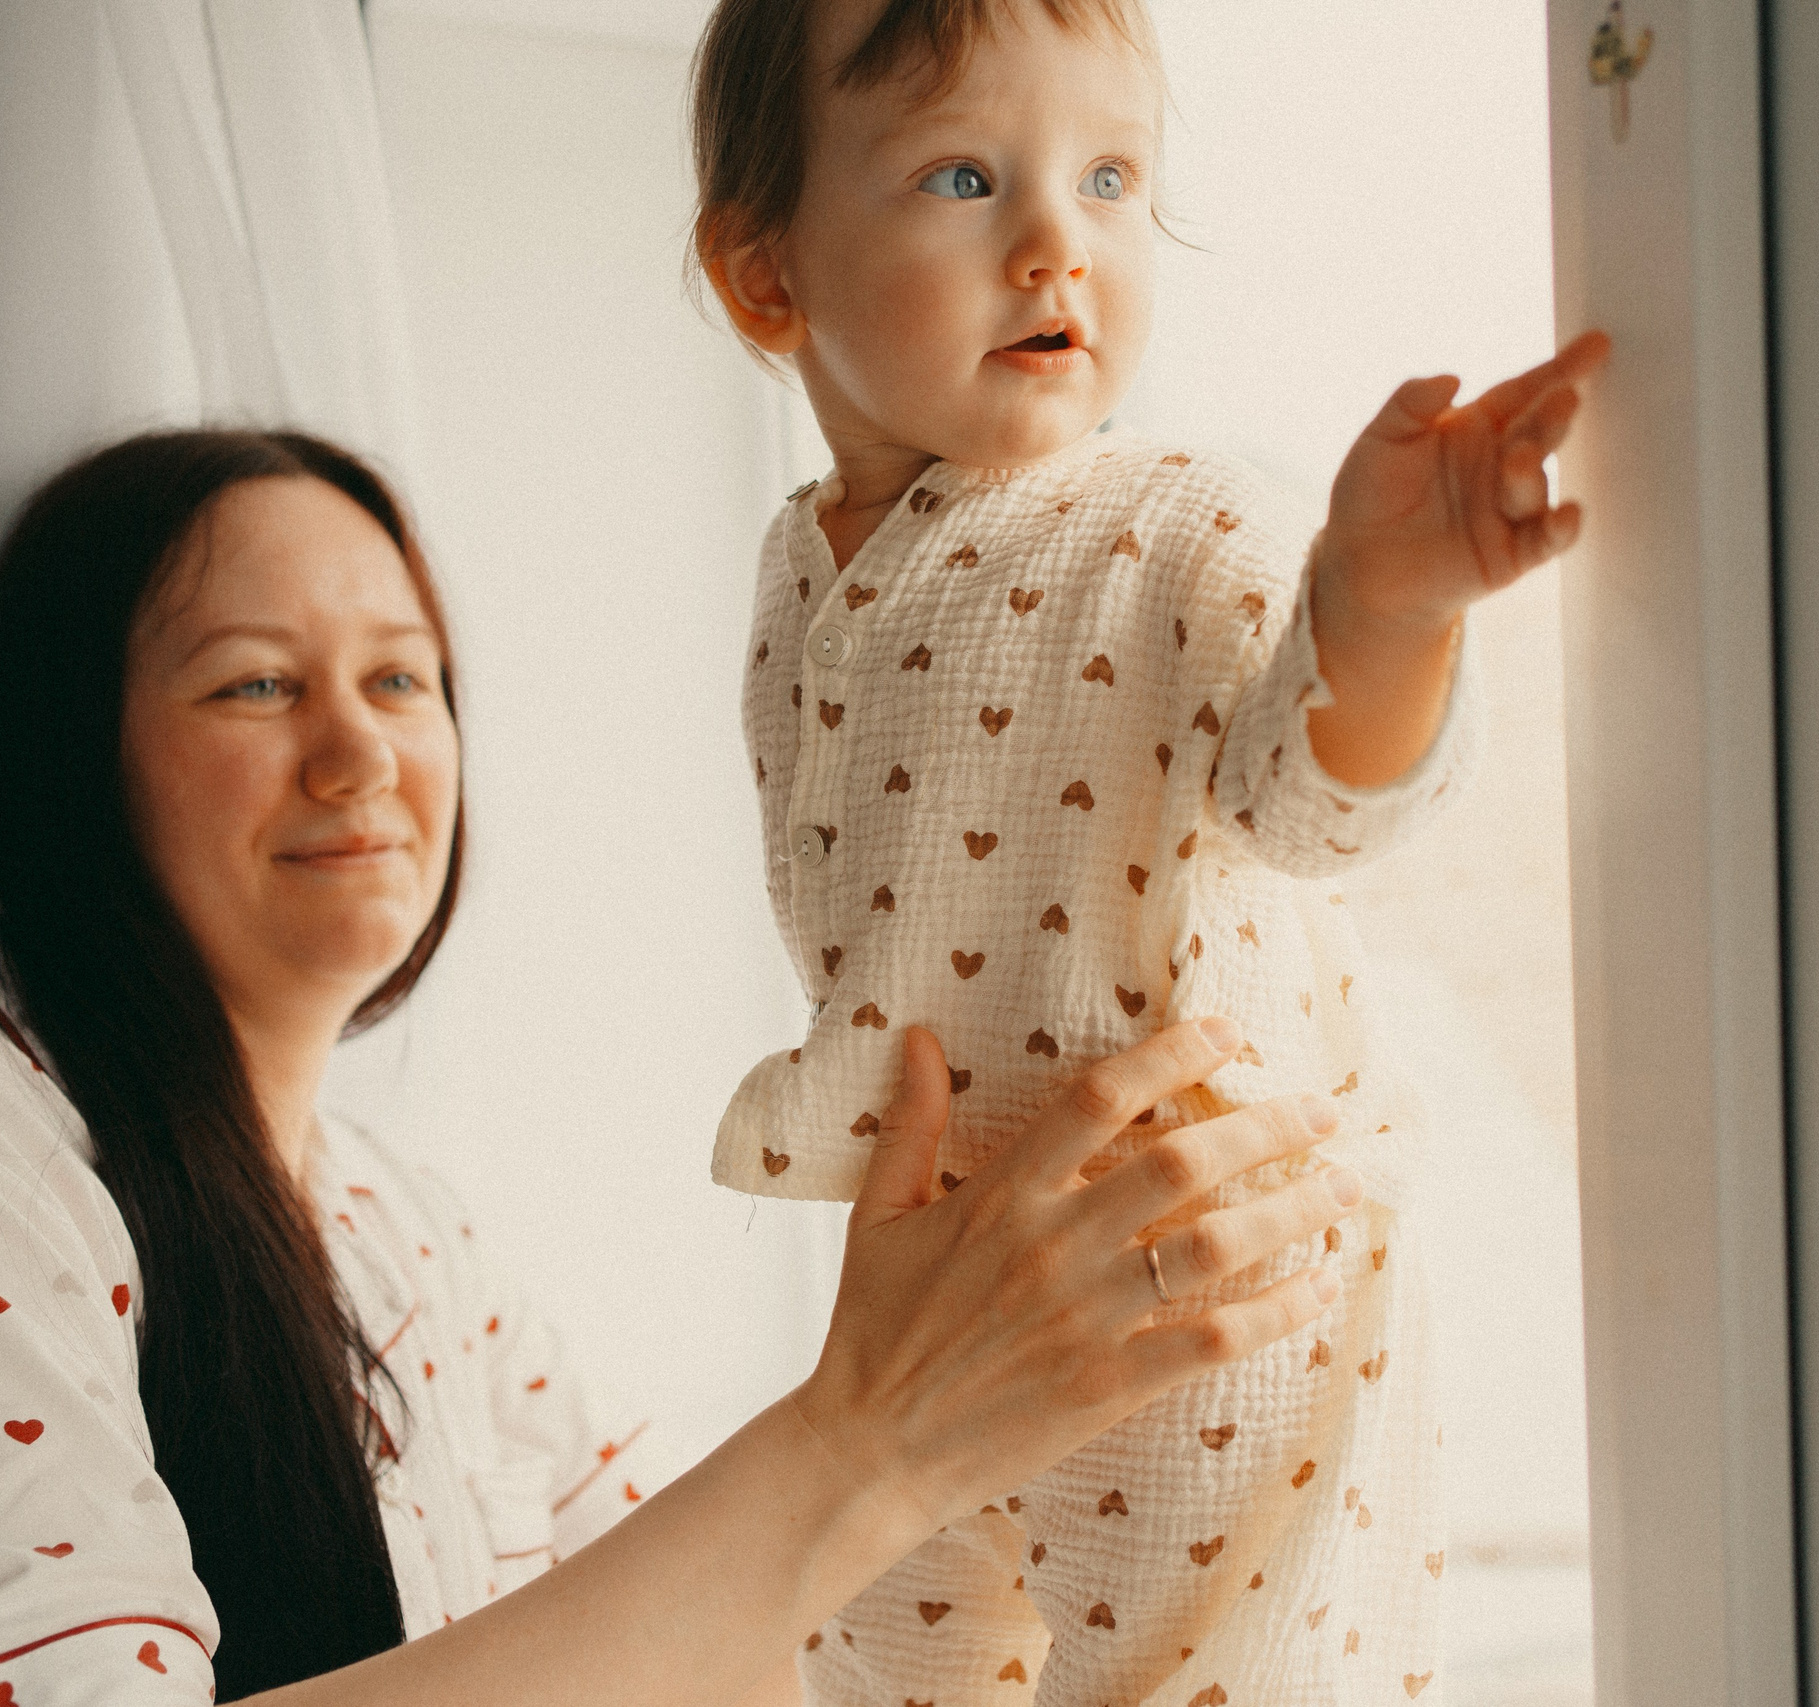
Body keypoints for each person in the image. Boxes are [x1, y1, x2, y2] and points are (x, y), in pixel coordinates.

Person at [0, 428, 1372, 1706]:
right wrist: (874, 1432)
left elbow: (682, 1653)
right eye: (254, 688)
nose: (358, 750)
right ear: (61, 758)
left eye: (405, 679)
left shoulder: (399, 1230)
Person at [688, 1, 1609, 1700]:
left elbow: (1311, 801)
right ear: (768, 282)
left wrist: (1386, 607)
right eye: (965, 176)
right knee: (885, 1661)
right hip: (943, 1283)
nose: (1057, 244)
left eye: (1112, 179)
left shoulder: (1183, 516)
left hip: (1199, 1263)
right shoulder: (793, 574)